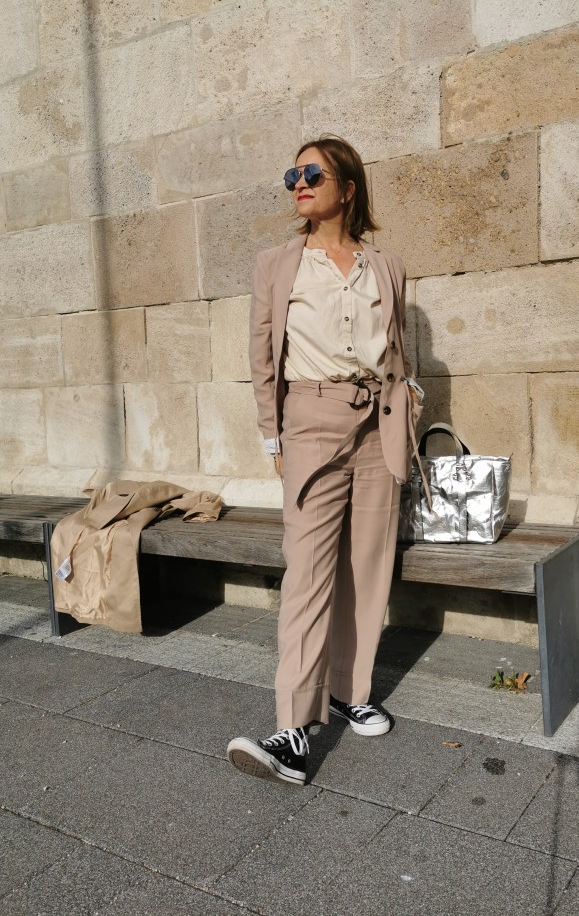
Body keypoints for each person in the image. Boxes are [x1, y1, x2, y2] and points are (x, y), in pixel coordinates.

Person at [227, 135, 423, 785]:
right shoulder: (277, 265)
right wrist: (273, 437)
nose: (300, 184)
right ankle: (292, 729)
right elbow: (262, 358)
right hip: (311, 420)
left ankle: (349, 690)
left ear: (348, 187)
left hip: (379, 424)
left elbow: (398, 350)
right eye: (293, 176)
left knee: (368, 568)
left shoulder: (386, 266)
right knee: (308, 573)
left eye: (313, 173)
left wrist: (407, 405)